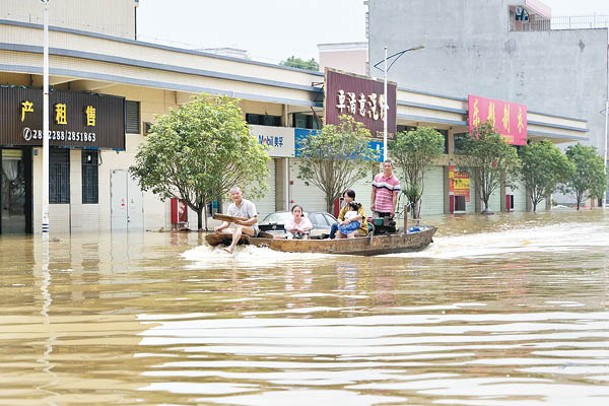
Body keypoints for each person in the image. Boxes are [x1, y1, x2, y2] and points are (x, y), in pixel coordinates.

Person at [214, 186, 259, 254]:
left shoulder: (249, 204)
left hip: (252, 229)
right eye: (233, 194)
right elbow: (227, 222)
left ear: (241, 194)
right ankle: (220, 248)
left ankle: (231, 248)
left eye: (237, 193)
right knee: (221, 230)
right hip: (239, 230)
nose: (235, 195)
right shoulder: (231, 207)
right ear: (230, 196)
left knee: (239, 227)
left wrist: (243, 223)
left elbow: (255, 219)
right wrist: (220, 227)